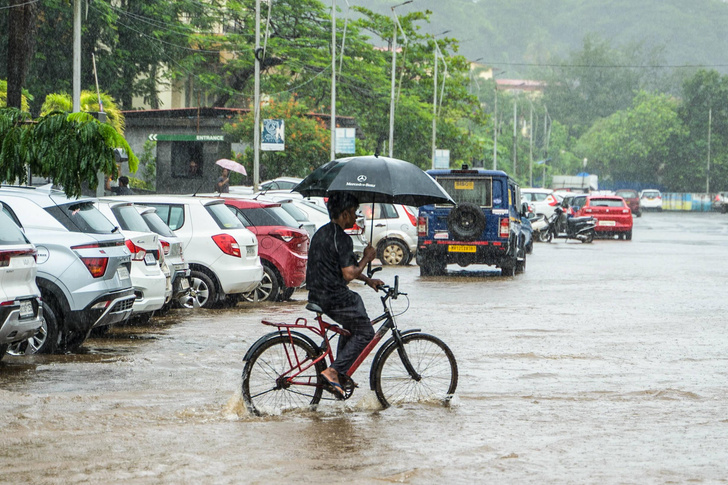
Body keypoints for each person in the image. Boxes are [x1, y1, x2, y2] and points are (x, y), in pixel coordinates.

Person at [306, 192, 384, 396]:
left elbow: (339, 268)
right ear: (344, 214)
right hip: (333, 297)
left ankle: (340, 373)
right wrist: (367, 258)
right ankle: (333, 371)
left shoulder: (322, 233)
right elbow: (349, 273)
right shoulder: (341, 238)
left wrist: (369, 281)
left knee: (352, 325)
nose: (354, 217)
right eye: (352, 213)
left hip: (318, 294)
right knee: (366, 332)